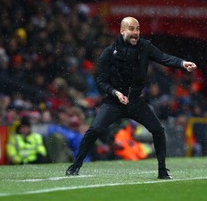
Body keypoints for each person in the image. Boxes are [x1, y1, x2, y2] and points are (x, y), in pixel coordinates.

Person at [65, 17, 197, 179]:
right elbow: (101, 80)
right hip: (114, 102)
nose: (136, 33)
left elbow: (163, 57)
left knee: (158, 130)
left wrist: (182, 63)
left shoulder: (145, 46)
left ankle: (162, 170)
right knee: (94, 130)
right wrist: (115, 93)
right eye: (131, 29)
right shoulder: (109, 52)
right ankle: (76, 165)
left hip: (135, 102)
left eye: (138, 29)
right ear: (122, 31)